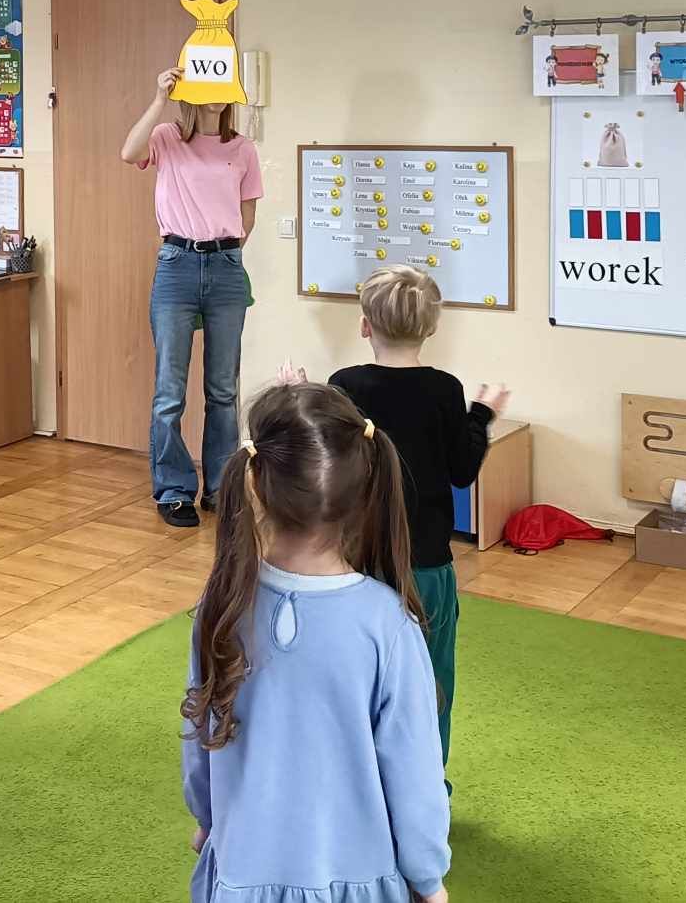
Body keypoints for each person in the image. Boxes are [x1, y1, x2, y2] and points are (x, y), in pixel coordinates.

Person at [181, 380, 450, 903]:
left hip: (240, 874)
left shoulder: (224, 602)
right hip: (356, 883)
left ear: (254, 483)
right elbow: (415, 771)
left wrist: (208, 819)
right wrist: (427, 878)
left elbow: (201, 731)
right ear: (365, 489)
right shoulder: (387, 624)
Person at [328, 266, 510, 772]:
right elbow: (461, 471)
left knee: (359, 680)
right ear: (431, 328)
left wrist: (300, 397)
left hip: (356, 563)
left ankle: (358, 785)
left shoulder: (343, 385)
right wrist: (481, 415)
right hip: (425, 564)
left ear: (365, 325)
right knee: (430, 681)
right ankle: (426, 789)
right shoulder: (443, 389)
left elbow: (329, 463)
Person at [120, 65, 264, 529]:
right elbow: (129, 152)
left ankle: (220, 489)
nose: (217, 97)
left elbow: (247, 215)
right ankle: (174, 490)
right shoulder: (167, 137)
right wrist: (159, 98)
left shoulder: (243, 148)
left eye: (225, 89)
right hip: (176, 264)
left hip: (225, 267)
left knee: (223, 389)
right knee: (169, 391)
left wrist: (224, 253)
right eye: (209, 88)